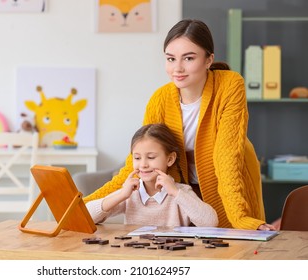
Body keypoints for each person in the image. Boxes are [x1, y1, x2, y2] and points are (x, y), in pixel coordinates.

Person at [84, 19, 276, 231]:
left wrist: (241, 219)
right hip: (182, 190)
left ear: (208, 59)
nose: (178, 68)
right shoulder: (160, 98)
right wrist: (82, 205)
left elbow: (226, 156)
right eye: (170, 59)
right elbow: (137, 160)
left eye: (189, 58)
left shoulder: (230, 86)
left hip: (229, 186)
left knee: (236, 249)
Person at [86, 123, 219, 227]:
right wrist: (121, 195)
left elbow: (211, 222)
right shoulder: (131, 193)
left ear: (170, 159)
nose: (143, 164)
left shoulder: (181, 192)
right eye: (137, 158)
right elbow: (86, 216)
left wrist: (175, 192)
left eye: (151, 157)